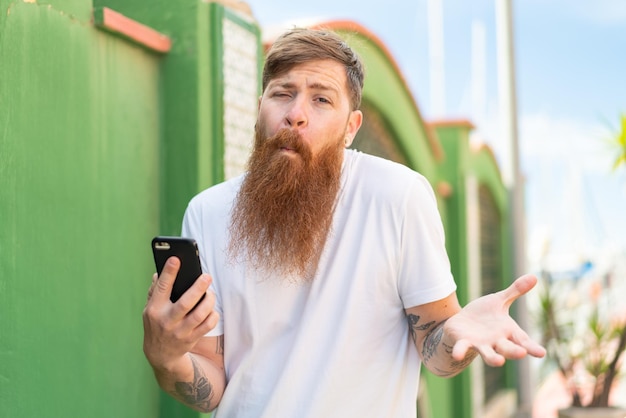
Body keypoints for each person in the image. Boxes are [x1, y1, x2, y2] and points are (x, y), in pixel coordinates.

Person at [143, 27, 546, 417]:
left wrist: (459, 335)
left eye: (321, 100)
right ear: (260, 108)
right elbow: (211, 389)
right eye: (282, 93)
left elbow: (436, 354)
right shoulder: (208, 212)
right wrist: (167, 359)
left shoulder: (398, 196)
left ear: (351, 128)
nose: (296, 114)